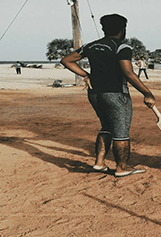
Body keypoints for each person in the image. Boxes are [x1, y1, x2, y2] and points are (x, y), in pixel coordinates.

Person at [61, 13, 156, 177]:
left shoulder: (91, 46)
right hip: (116, 95)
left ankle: (99, 164)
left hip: (95, 94)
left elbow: (67, 60)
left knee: (106, 127)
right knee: (121, 132)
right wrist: (147, 93)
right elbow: (128, 73)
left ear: (104, 28)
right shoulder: (122, 47)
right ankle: (121, 168)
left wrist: (86, 75)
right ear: (123, 29)